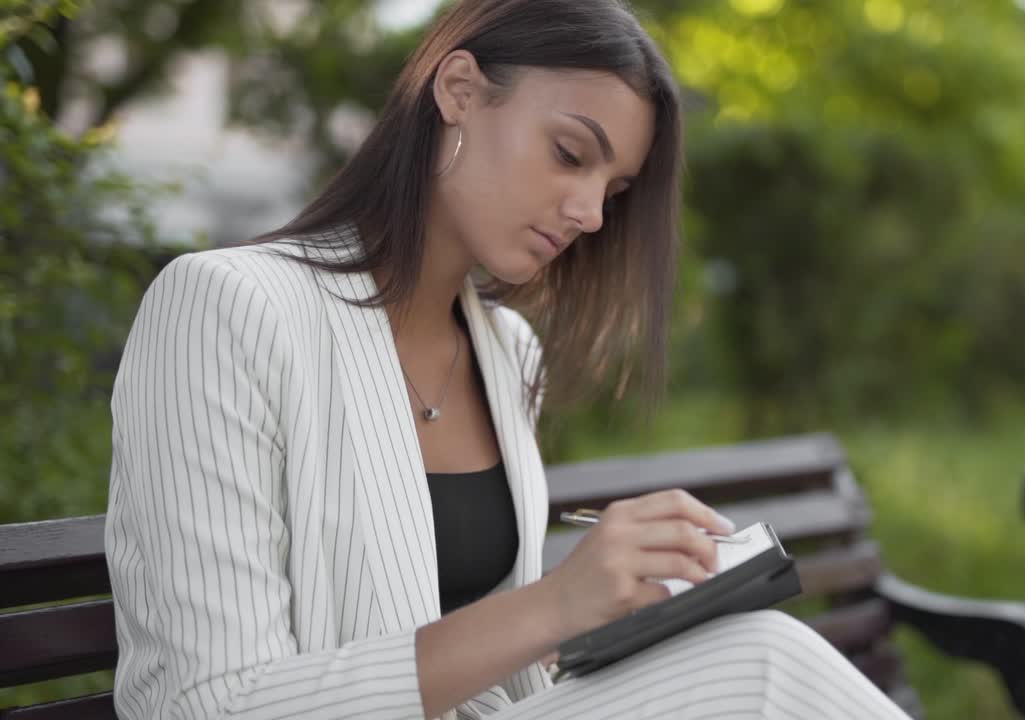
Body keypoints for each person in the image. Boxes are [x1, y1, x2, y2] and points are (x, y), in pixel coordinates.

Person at [104, 1, 914, 718]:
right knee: (761, 662)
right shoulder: (227, 306)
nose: (590, 213)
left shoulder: (505, 351)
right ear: (459, 90)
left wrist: (618, 622)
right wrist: (553, 606)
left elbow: (499, 669)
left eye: (615, 190)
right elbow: (212, 703)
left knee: (736, 651)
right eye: (569, 153)